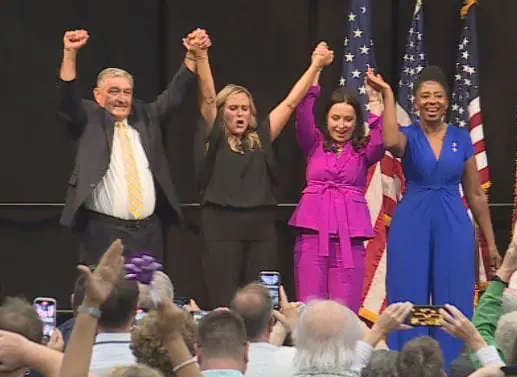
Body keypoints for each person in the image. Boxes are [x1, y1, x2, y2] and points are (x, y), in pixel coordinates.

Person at [183, 31, 335, 308]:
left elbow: (290, 103)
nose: (240, 114)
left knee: (262, 299)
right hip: (220, 225)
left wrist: (316, 66)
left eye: (245, 108)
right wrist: (201, 57)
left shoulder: (261, 137)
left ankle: (262, 348)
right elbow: (206, 99)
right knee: (223, 298)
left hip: (261, 225)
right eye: (233, 108)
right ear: (222, 111)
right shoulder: (212, 137)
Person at [366, 66, 501, 366]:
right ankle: (407, 367)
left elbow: (476, 194)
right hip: (413, 220)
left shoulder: (461, 138)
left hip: (453, 220)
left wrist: (490, 243)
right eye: (425, 96)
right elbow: (389, 143)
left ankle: (452, 368)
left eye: (438, 96)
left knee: (453, 300)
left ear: (448, 101)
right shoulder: (408, 136)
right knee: (407, 297)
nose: (432, 101)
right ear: (414, 102)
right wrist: (388, 94)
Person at [57, 29, 204, 264]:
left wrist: (192, 56)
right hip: (103, 232)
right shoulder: (88, 118)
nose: (122, 98)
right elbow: (67, 97)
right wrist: (70, 52)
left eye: (127, 92)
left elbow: (174, 95)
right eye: (114, 91)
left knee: (148, 297)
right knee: (106, 296)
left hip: (148, 232)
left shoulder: (145, 117)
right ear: (97, 95)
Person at [287, 65, 385, 313]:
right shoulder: (314, 143)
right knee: (310, 309)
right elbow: (304, 115)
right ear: (327, 119)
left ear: (356, 122)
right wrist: (316, 73)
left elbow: (380, 139)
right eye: (336, 118)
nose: (341, 125)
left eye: (349, 119)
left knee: (345, 310)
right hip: (312, 236)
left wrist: (375, 100)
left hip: (348, 241)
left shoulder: (363, 152)